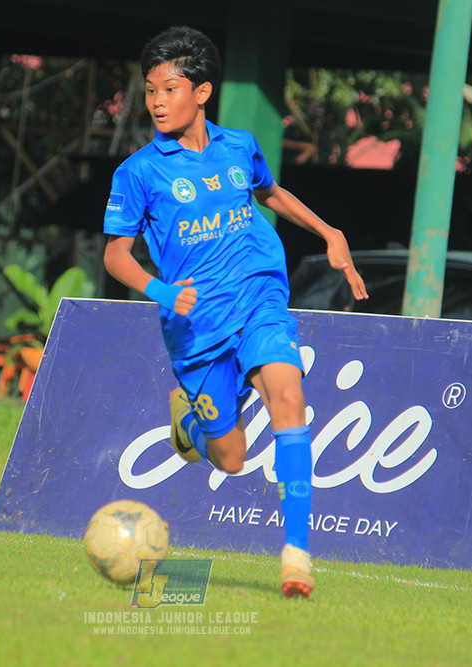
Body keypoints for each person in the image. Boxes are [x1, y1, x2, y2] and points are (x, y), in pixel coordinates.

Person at [103, 26, 368, 598]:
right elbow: (115, 254)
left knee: (289, 397)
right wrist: (158, 289)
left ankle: (296, 555)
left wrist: (329, 231)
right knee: (231, 458)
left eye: (167, 88)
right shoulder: (139, 173)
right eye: (149, 90)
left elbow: (268, 191)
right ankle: (191, 424)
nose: (155, 101)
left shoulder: (239, 145)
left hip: (259, 299)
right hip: (195, 328)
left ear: (201, 92)